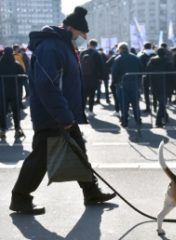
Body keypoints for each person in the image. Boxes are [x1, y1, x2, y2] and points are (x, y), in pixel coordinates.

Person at [9, 7, 116, 215]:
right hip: (53, 114)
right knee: (41, 157)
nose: (82, 38)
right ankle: (20, 197)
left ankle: (91, 191)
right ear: (71, 29)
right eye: (81, 34)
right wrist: (64, 115)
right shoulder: (52, 46)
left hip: (62, 112)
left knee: (78, 149)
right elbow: (47, 84)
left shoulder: (62, 44)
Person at [112, 42, 143, 128]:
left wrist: (114, 82)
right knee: (135, 103)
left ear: (120, 49)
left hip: (122, 83)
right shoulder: (135, 58)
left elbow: (114, 72)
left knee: (123, 104)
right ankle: (138, 120)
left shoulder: (118, 59)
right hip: (134, 82)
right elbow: (141, 69)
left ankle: (124, 121)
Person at [0, 47, 26, 139]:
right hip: (15, 91)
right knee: (16, 111)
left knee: (2, 111)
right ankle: (17, 129)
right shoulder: (17, 65)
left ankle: (2, 130)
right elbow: (23, 77)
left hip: (2, 92)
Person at [146, 47, 173, 127]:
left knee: (161, 102)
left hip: (154, 83)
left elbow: (147, 71)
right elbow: (171, 74)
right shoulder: (167, 61)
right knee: (162, 103)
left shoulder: (151, 60)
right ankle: (158, 121)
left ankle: (165, 116)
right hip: (165, 84)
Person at [80, 39, 104, 117]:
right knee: (92, 94)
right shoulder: (97, 54)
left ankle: (82, 111)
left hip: (83, 77)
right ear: (96, 45)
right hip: (93, 77)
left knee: (84, 95)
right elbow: (100, 67)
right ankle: (90, 111)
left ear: (89, 44)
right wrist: (100, 78)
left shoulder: (83, 53)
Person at [138, 42, 156, 113]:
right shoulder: (155, 54)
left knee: (146, 92)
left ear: (144, 47)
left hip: (145, 75)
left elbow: (139, 65)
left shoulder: (141, 55)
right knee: (154, 91)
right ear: (151, 46)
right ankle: (155, 106)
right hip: (154, 75)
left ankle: (148, 107)